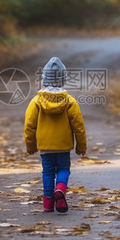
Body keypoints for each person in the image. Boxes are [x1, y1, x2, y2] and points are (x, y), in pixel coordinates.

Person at [24, 57, 87, 213]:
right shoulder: (70, 101)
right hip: (63, 146)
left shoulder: (36, 101)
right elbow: (79, 126)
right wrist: (81, 145)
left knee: (47, 173)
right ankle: (60, 189)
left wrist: (31, 145)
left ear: (45, 79)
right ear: (63, 79)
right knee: (64, 169)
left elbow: (29, 126)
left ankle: (47, 204)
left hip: (45, 147)